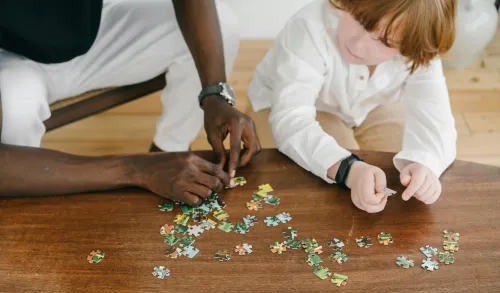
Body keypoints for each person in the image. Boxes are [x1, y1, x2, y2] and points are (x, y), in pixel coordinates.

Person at [0, 0, 261, 206]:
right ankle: (26, 216)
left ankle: (169, 152)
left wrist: (214, 93)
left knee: (222, 22)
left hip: (88, 30)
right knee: (16, 114)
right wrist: (136, 169)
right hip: (9, 59)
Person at [248, 0, 457, 213]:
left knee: (399, 175)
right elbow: (290, 117)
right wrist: (347, 169)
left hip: (369, 106)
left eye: (384, 42)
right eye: (360, 21)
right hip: (285, 106)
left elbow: (436, 118)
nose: (358, 44)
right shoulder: (309, 27)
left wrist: (427, 165)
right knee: (334, 187)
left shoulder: (418, 46)